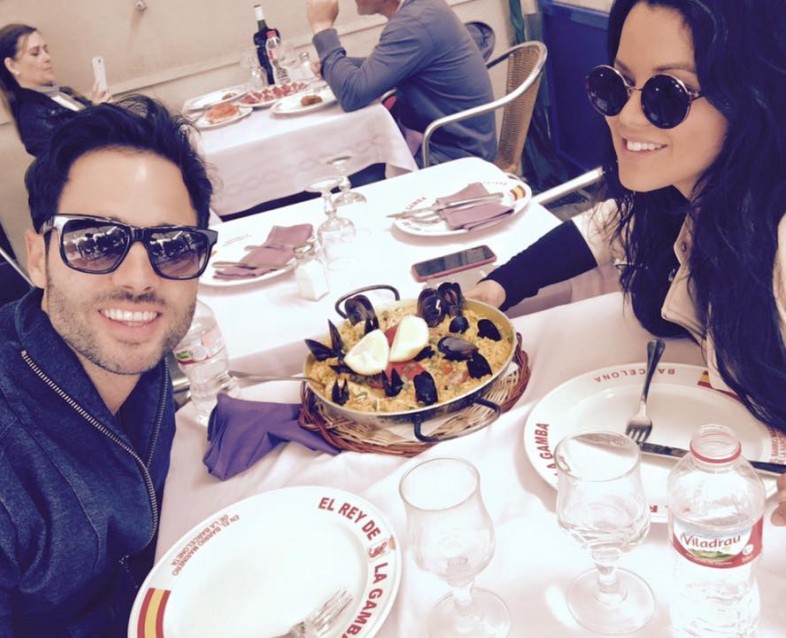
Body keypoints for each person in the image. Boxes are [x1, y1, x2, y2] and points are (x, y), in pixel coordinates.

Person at [466, 0, 786, 521]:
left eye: (668, 94)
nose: (626, 116)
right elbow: (602, 228)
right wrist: (499, 286)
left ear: (750, 99)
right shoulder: (683, 197)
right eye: (616, 84)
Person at [0, 96, 217, 635]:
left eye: (173, 246)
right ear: (37, 259)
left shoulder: (135, 359)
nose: (139, 280)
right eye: (95, 242)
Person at [305, 0, 496, 166]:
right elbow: (386, 67)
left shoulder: (413, 22)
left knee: (343, 170)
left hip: (451, 156)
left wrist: (322, 27)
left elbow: (352, 95)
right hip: (444, 143)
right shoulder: (421, 10)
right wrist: (338, 66)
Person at [0, 23, 111, 157]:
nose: (47, 57)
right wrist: (97, 113)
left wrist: (99, 108)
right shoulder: (32, 118)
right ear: (12, 66)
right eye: (35, 53)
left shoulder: (64, 93)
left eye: (46, 50)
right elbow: (71, 158)